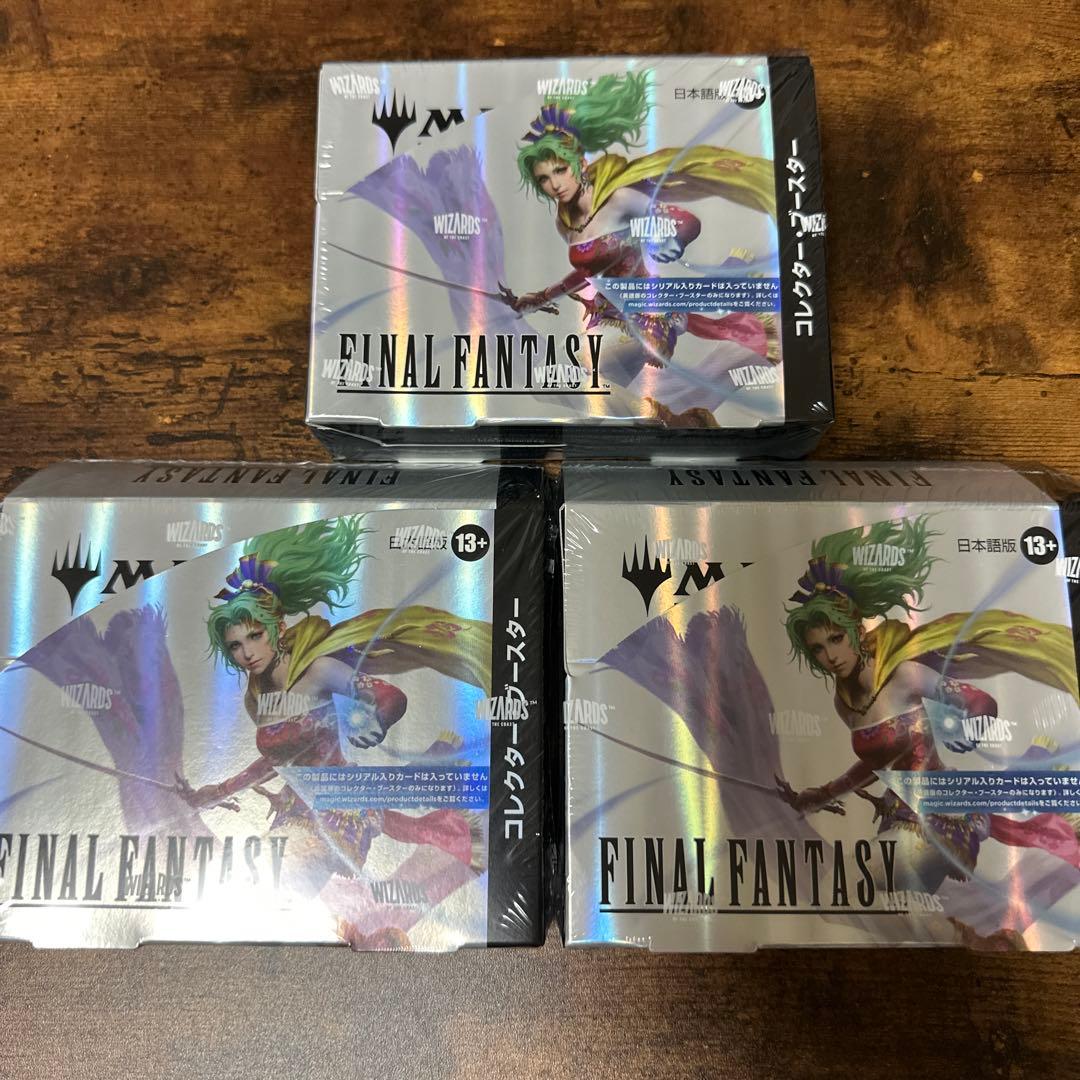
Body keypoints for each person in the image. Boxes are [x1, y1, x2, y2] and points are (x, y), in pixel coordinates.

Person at [175, 517, 491, 941]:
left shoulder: (319, 671)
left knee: (282, 879)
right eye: (235, 645)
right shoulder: (256, 698)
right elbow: (276, 761)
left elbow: (389, 697)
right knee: (273, 890)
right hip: (295, 807)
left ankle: (394, 907)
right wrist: (216, 791)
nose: (247, 653)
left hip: (339, 806)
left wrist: (374, 720)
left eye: (254, 637)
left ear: (277, 629)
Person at [780, 516, 1080, 892]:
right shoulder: (844, 703)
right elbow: (876, 764)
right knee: (862, 891)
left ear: (856, 630)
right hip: (898, 814)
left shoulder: (903, 675)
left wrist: (968, 727)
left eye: (836, 639)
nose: (831, 656)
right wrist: (823, 794)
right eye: (818, 649)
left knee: (860, 881)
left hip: (942, 815)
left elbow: (979, 701)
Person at [507, 71, 778, 422]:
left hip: (647, 318)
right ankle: (676, 421)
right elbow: (587, 271)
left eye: (560, 171)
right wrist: (542, 297)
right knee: (589, 400)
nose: (554, 184)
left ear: (580, 164)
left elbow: (685, 221)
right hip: (609, 317)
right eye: (544, 178)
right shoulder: (566, 222)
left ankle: (668, 422)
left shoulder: (618, 200)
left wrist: (674, 240)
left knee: (561, 381)